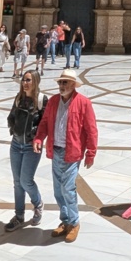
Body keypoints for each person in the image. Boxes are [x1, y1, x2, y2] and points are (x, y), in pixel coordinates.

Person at [33, 68, 98, 241]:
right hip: (56, 150)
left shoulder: (83, 103)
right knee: (58, 190)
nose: (62, 85)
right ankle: (65, 220)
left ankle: (74, 223)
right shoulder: (53, 101)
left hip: (72, 152)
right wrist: (39, 138)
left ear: (73, 85)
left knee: (67, 188)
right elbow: (45, 122)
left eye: (65, 82)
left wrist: (91, 153)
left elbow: (91, 130)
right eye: (60, 82)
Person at [5, 70, 45, 231]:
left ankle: (38, 204)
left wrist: (35, 137)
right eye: (23, 80)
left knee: (26, 181)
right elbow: (11, 116)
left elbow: (45, 124)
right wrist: (14, 129)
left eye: (28, 80)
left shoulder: (42, 100)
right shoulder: (19, 98)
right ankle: (19, 216)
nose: (25, 83)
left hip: (31, 147)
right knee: (17, 182)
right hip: (16, 144)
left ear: (35, 81)